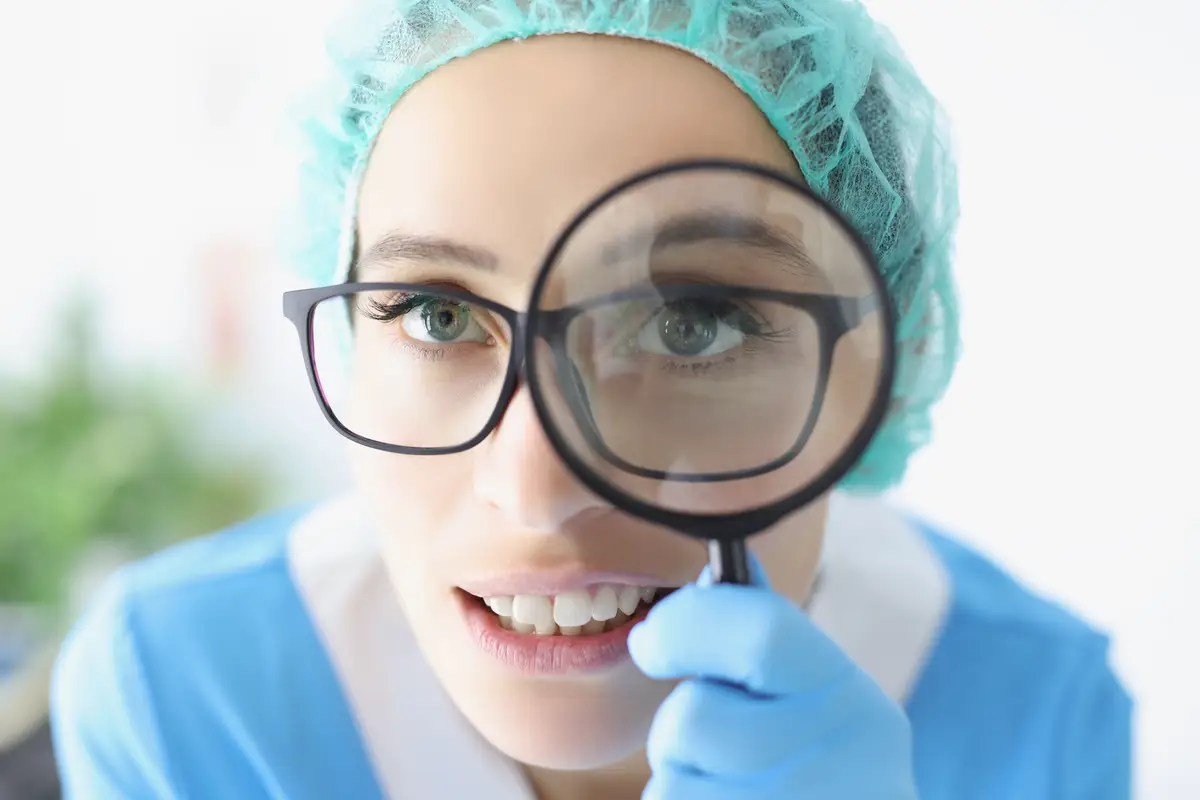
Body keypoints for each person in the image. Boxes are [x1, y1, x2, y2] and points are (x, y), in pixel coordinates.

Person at [50, 0, 1133, 798]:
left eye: (692, 320)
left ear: (878, 366)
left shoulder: (1036, 715)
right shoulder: (182, 698)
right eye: (437, 314)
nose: (536, 485)